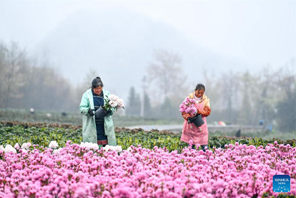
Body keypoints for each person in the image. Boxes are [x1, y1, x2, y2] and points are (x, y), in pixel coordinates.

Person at [79, 77, 117, 146]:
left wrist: (109, 110)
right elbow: (82, 108)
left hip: (104, 124)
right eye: (96, 89)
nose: (98, 90)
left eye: (100, 88)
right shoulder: (86, 95)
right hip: (92, 123)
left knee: (107, 145)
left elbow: (113, 106)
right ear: (92, 88)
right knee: (92, 146)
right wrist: (88, 111)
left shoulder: (107, 94)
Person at [180, 83, 211, 151]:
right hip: (190, 125)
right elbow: (183, 111)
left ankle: (207, 158)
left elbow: (207, 112)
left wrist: (198, 111)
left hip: (200, 125)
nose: (200, 94)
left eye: (202, 93)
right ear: (195, 90)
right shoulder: (189, 99)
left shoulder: (206, 100)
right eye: (198, 92)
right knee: (190, 145)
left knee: (204, 145)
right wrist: (188, 117)